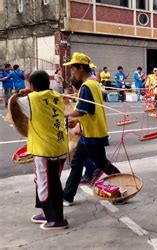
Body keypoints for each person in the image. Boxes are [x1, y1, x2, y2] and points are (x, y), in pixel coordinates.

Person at [62, 52, 121, 207]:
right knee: (78, 163)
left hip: (92, 134)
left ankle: (122, 181)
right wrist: (76, 119)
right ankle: (67, 196)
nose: (72, 72)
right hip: (91, 132)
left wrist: (66, 113)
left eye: (73, 68)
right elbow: (89, 109)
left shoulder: (86, 86)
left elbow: (82, 110)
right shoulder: (93, 84)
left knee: (100, 163)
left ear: (81, 68)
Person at [15, 71, 69, 230]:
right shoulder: (56, 96)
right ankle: (48, 213)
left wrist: (22, 93)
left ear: (32, 85)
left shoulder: (31, 99)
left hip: (45, 150)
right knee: (51, 181)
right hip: (59, 146)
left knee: (47, 184)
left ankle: (56, 219)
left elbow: (14, 104)